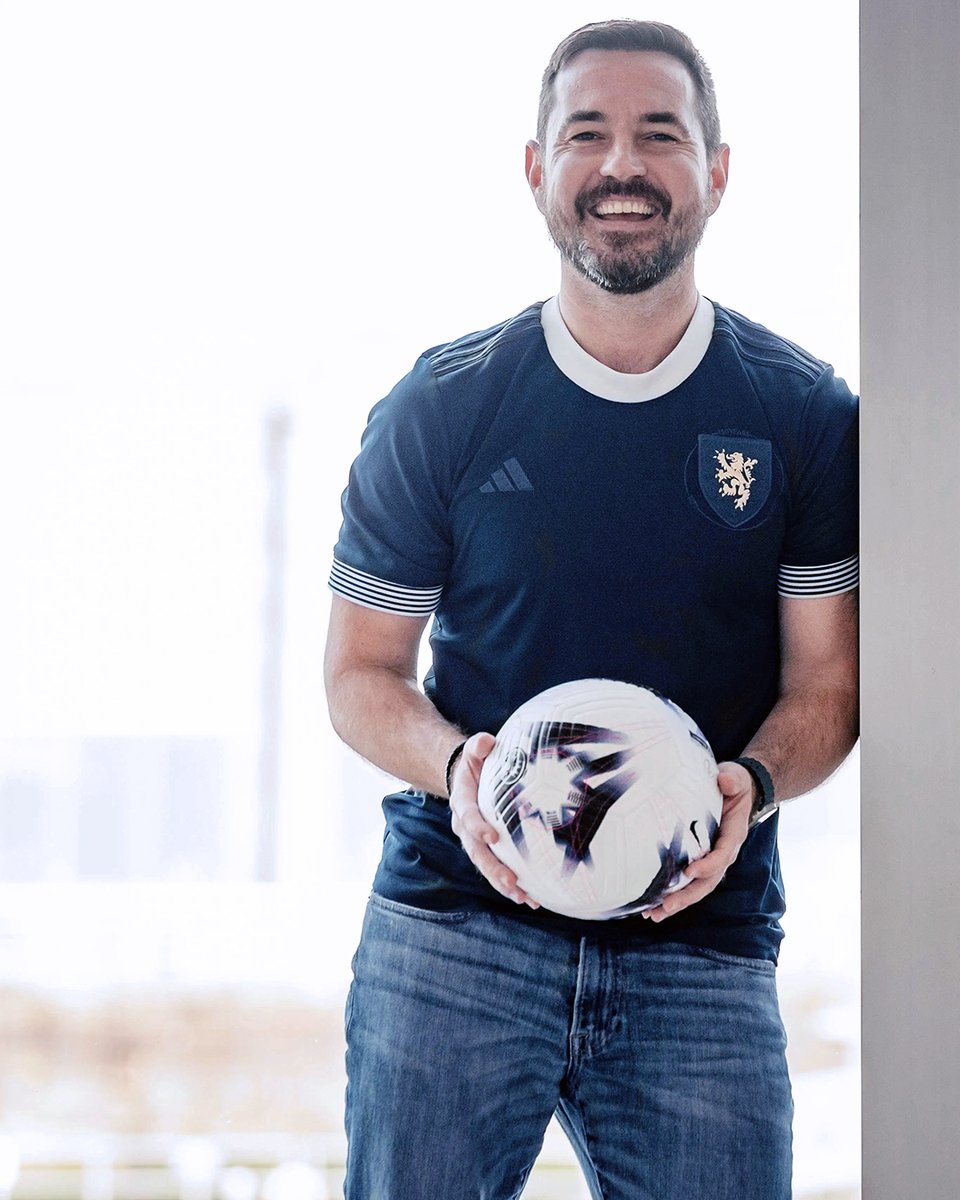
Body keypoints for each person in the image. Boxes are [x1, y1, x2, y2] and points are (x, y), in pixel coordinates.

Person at [324, 18, 858, 1200]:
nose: (623, 167)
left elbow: (828, 690)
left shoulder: (805, 415)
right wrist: (463, 769)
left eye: (660, 135)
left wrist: (748, 789)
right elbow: (361, 676)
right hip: (455, 936)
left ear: (717, 172)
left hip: (700, 948)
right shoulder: (443, 406)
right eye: (588, 135)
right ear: (537, 171)